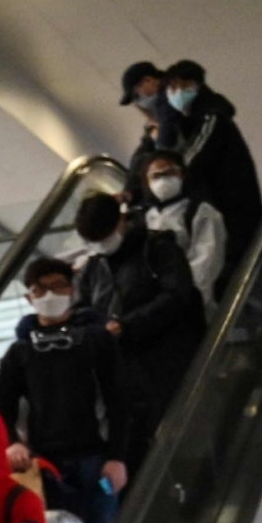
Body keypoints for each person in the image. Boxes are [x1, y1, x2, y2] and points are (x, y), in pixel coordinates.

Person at [0, 253, 128, 523]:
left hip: (96, 458)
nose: (50, 295)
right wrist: (12, 442)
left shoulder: (96, 340)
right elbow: (2, 404)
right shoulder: (21, 351)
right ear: (29, 298)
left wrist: (117, 456)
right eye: (40, 289)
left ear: (73, 291)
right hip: (45, 463)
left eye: (58, 286)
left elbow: (119, 399)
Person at [72, 191, 205, 471]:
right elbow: (82, 310)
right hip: (122, 371)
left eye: (106, 234)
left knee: (179, 438)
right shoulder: (95, 266)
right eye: (95, 240)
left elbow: (177, 294)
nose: (102, 244)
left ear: (122, 220)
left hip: (167, 361)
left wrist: (128, 325)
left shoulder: (157, 248)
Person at [163, 60, 262, 257]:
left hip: (236, 211)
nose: (174, 93)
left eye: (178, 86)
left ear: (195, 85)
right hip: (224, 210)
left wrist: (174, 175)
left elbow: (194, 159)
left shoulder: (212, 117)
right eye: (171, 88)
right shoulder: (191, 123)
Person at [141, 148, 229, 309]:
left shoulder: (201, 211)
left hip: (195, 306)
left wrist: (181, 299)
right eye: (156, 176)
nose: (163, 180)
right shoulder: (148, 217)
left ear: (182, 174)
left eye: (169, 172)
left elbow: (206, 263)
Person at [120, 60, 180, 169]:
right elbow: (137, 160)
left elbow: (166, 141)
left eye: (136, 95)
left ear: (149, 80)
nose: (138, 102)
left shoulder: (174, 100)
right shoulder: (156, 119)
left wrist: (158, 135)